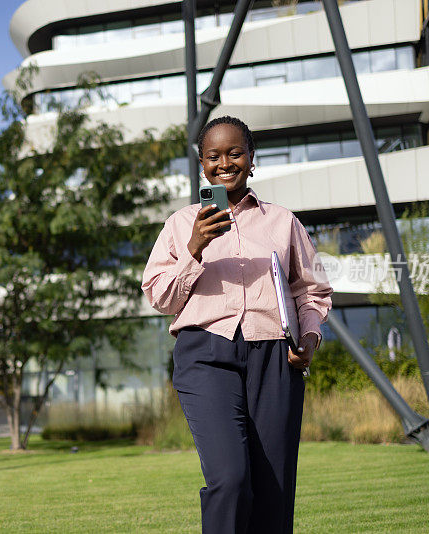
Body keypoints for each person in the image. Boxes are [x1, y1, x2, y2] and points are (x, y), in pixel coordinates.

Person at [141, 116, 333, 533]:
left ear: (251, 159)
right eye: (213, 156)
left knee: (274, 488)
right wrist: (194, 248)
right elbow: (159, 297)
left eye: (235, 153)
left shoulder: (283, 222)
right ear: (202, 164)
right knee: (230, 480)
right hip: (204, 354)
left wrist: (310, 337)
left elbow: (312, 291)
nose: (224, 163)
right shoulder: (181, 224)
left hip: (275, 358)